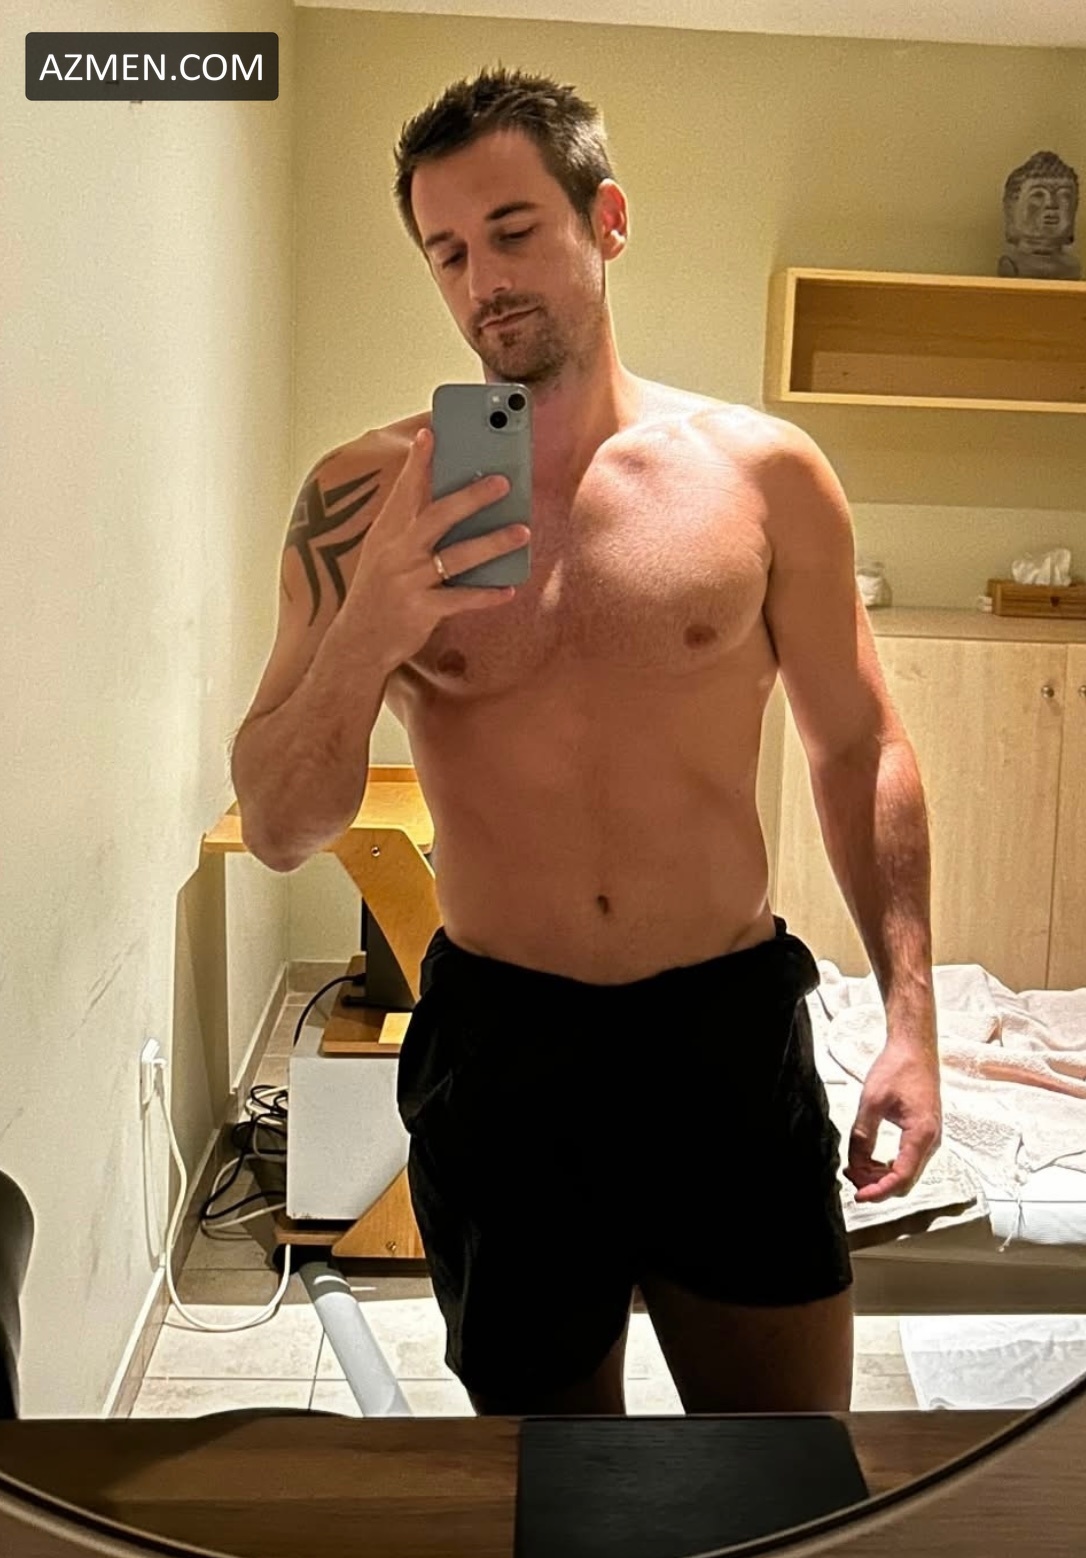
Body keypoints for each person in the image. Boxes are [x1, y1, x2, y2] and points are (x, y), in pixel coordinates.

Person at [231, 66, 941, 1419]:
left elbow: (860, 748)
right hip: (505, 1043)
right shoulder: (361, 498)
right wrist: (372, 623)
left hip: (721, 1035)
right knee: (546, 1491)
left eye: (513, 230)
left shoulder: (761, 477)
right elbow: (279, 825)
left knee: (784, 1470)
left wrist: (913, 1021)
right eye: (447, 251)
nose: (482, 280)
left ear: (605, 220)